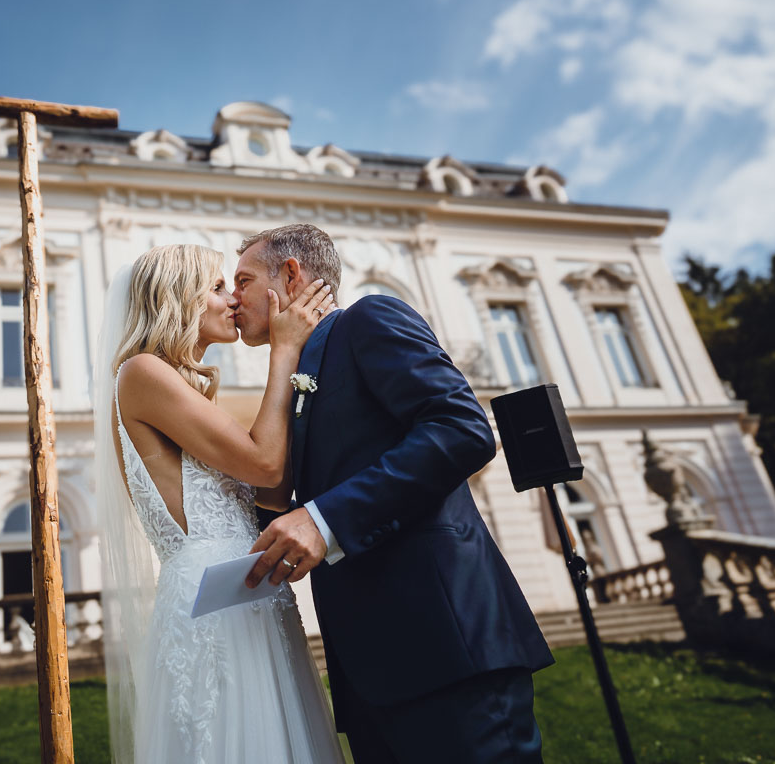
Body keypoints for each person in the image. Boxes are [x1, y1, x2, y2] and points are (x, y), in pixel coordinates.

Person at [234, 224, 555, 764]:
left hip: (447, 651)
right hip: (371, 680)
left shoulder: (369, 320)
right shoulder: (298, 377)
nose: (233, 296)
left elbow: (462, 429)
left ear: (290, 276)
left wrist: (324, 520)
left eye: (242, 280)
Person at [94, 244, 344, 764]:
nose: (233, 300)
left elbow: (269, 493)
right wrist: (284, 352)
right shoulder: (142, 372)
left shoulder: (183, 388)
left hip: (250, 591)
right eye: (216, 288)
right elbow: (267, 465)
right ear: (175, 300)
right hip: (214, 604)